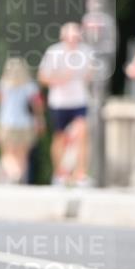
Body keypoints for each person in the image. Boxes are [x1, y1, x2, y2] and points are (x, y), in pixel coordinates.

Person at [38, 22, 93, 186]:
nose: (73, 40)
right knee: (59, 137)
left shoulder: (86, 52)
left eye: (76, 37)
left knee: (82, 134)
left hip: (79, 100)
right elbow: (43, 77)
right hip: (59, 102)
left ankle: (80, 174)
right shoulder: (54, 52)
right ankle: (60, 174)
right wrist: (60, 79)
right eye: (70, 37)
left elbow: (90, 74)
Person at [0, 57, 44, 183]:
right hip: (26, 123)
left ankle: (13, 174)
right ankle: (20, 177)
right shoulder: (30, 86)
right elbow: (37, 105)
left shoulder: (3, 85)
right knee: (22, 155)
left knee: (7, 153)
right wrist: (40, 120)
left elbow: (0, 102)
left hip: (7, 123)